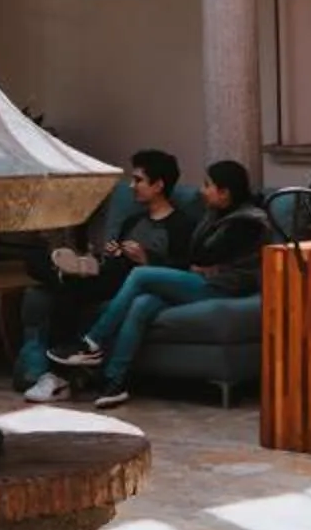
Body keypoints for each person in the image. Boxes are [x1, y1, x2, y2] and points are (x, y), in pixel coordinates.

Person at [51, 159, 272, 406]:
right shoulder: (215, 214)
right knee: (143, 304)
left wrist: (200, 262)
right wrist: (199, 262)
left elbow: (204, 256)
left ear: (225, 192)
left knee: (141, 275)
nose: (202, 191)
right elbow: (196, 255)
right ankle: (115, 381)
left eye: (207, 185)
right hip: (203, 280)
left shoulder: (247, 221)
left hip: (224, 288)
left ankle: (93, 342)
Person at [16, 150, 200, 402]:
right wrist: (111, 254)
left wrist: (146, 259)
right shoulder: (133, 220)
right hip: (110, 271)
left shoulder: (181, 225)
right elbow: (115, 254)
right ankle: (70, 270)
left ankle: (58, 376)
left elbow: (182, 270)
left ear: (158, 185)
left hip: (132, 281)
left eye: (138, 180)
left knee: (66, 288)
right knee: (35, 262)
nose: (132, 186)